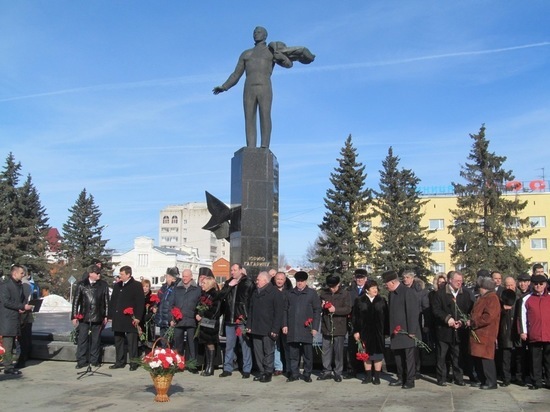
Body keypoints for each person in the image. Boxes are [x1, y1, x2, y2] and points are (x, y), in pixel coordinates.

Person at [213, 26, 314, 148]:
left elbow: (288, 64)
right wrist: (224, 87)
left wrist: (280, 56)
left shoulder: (271, 51)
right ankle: (251, 147)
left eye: (259, 32)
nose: (256, 34)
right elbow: (236, 74)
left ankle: (265, 145)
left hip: (264, 87)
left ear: (265, 35)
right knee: (249, 118)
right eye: (254, 32)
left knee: (265, 115)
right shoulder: (246, 54)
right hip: (249, 87)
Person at [431, 271, 473, 387]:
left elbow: (468, 310)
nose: (459, 283)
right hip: (444, 330)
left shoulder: (465, 294)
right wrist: (447, 318)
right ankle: (441, 378)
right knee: (442, 356)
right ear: (450, 280)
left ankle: (458, 378)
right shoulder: (440, 294)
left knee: (457, 356)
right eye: (457, 280)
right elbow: (436, 310)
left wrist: (462, 321)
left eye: (461, 281)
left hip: (459, 331)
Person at [282, 270, 321, 382]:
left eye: (302, 281)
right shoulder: (290, 293)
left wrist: (314, 327)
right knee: (293, 353)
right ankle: (294, 373)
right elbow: (285, 310)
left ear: (305, 281)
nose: (300, 283)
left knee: (307, 354)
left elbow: (317, 311)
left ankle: (307, 373)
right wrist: (284, 324)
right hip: (293, 328)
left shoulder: (312, 293)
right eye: (298, 281)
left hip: (306, 328)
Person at [383, 270, 419, 389]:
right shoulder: (391, 293)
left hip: (407, 331)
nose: (385, 286)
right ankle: (400, 377)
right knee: (398, 356)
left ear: (392, 282)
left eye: (386, 284)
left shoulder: (407, 292)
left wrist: (412, 331)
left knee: (408, 357)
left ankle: (409, 380)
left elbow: (413, 312)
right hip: (396, 332)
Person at [218, 263, 254, 378]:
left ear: (240, 271)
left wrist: (248, 318)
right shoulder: (229, 282)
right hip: (229, 319)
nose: (232, 272)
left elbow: (252, 302)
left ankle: (247, 369)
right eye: (231, 270)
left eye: (234, 270)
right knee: (229, 345)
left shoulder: (248, 283)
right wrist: (229, 286)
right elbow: (220, 297)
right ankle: (227, 368)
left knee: (245, 345)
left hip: (241, 319)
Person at [247, 271, 284, 383]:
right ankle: (261, 371)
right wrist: (249, 325)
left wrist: (275, 329)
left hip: (268, 328)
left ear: (265, 280)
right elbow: (251, 310)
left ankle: (268, 372)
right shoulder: (255, 292)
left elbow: (279, 313)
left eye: (258, 279)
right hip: (256, 327)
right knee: (258, 352)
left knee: (268, 351)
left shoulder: (275, 293)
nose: (256, 281)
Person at [71, 264, 109, 368]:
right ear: (91, 274)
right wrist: (74, 316)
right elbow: (76, 301)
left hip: (97, 316)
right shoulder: (82, 284)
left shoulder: (103, 285)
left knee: (96, 340)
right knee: (82, 339)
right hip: (84, 316)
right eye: (97, 273)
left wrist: (106, 315)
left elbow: (106, 301)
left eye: (99, 273)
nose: (99, 275)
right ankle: (81, 360)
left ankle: (94, 360)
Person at [108, 266, 145, 371]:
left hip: (130, 318)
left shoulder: (136, 285)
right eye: (120, 274)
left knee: (132, 342)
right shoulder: (117, 285)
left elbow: (140, 303)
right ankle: (119, 361)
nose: (120, 276)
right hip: (118, 318)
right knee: (118, 341)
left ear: (128, 274)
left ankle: (134, 362)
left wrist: (138, 317)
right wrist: (110, 315)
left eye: (122, 274)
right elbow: (113, 301)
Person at [352, 279, 388, 385]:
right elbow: (355, 317)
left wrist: (386, 331)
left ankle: (377, 377)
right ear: (367, 290)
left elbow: (386, 317)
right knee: (366, 354)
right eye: (372, 288)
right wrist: (356, 331)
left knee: (377, 355)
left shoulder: (381, 300)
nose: (375, 290)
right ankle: (368, 376)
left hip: (378, 332)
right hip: (365, 332)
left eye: (376, 288)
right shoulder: (360, 300)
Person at [0, 265, 34, 375]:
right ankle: (8, 367)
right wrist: (21, 306)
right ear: (14, 273)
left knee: (11, 344)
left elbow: (17, 300)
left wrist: (21, 308)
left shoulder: (18, 285)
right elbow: (6, 302)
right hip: (7, 319)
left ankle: (9, 364)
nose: (23, 275)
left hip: (15, 318)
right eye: (21, 273)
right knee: (8, 344)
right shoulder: (6, 285)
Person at [318, 274, 351, 382]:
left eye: (334, 286)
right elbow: (318, 307)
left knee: (338, 351)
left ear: (338, 284)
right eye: (330, 286)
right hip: (326, 325)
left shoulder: (345, 294)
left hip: (339, 326)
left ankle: (338, 372)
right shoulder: (324, 293)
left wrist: (335, 309)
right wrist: (322, 306)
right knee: (326, 350)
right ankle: (326, 370)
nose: (332, 289)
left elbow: (347, 309)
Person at [470, 276, 501, 390]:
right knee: (479, 358)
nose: (479, 289)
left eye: (480, 287)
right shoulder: (484, 297)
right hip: (479, 334)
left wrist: (474, 322)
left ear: (485, 287)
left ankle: (491, 381)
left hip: (486, 334)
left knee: (486, 359)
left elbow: (488, 317)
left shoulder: (492, 298)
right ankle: (483, 380)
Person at [520, 273, 550, 390]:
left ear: (545, 285)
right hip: (534, 333)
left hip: (548, 333)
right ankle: (536, 382)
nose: (538, 286)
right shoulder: (526, 299)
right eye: (536, 284)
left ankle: (548, 382)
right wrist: (523, 331)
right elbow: (522, 317)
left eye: (541, 284)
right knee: (534, 360)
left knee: (549, 360)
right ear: (532, 285)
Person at [401, 270, 430, 379]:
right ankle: (406, 369)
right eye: (404, 277)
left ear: (413, 278)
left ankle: (416, 370)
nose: (405, 279)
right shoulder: (401, 290)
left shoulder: (420, 291)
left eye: (407, 277)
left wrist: (426, 324)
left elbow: (425, 309)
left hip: (416, 322)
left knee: (415, 347)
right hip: (403, 322)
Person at [172, 269, 201, 372]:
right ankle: (179, 365)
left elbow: (199, 304)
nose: (184, 278)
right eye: (183, 276)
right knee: (178, 344)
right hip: (178, 320)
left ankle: (192, 365)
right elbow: (171, 305)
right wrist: (171, 319)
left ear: (191, 277)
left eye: (187, 276)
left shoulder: (197, 289)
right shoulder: (177, 289)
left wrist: (198, 314)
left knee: (192, 344)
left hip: (191, 320)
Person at [195, 276, 221, 376]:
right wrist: (197, 314)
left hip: (211, 322)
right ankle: (207, 366)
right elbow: (199, 306)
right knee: (206, 343)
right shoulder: (204, 294)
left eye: (204, 283)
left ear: (209, 284)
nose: (202, 285)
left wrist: (203, 316)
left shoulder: (215, 294)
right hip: (203, 322)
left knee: (210, 343)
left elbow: (215, 310)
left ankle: (210, 368)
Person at [345, 268, 368, 379]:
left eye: (362, 278)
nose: (359, 280)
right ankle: (351, 369)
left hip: (365, 322)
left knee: (365, 345)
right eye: (358, 278)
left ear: (365, 279)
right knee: (352, 346)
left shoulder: (369, 289)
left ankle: (366, 369)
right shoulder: (350, 291)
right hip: (353, 322)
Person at [271, 271, 292, 376]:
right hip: (273, 322)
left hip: (285, 323)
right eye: (277, 279)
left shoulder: (289, 292)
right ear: (275, 280)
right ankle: (278, 367)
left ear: (285, 280)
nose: (279, 281)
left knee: (286, 346)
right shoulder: (270, 291)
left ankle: (289, 368)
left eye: (281, 279)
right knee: (275, 346)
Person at [513, 272, 532, 385]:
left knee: (530, 354)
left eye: (525, 281)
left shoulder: (531, 295)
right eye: (521, 281)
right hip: (518, 329)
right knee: (519, 354)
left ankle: (528, 375)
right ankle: (519, 376)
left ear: (529, 283)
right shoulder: (515, 295)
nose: (523, 284)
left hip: (530, 328)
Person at [154, 267, 181, 343]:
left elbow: (177, 304)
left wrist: (173, 319)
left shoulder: (177, 287)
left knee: (170, 342)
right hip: (162, 319)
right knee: (163, 341)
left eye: (167, 276)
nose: (166, 278)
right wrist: (155, 306)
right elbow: (158, 298)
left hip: (170, 320)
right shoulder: (164, 287)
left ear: (172, 278)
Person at [498, 289, 517, 387]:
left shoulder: (517, 304)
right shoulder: (501, 308)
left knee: (515, 358)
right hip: (505, 336)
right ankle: (506, 378)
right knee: (505, 359)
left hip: (514, 335)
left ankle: (516, 376)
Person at [18, 266, 35, 369]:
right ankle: (26, 355)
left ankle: (22, 358)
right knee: (26, 337)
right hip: (27, 315)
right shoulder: (29, 284)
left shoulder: (24, 285)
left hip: (24, 315)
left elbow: (23, 300)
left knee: (23, 338)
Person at [141, 279, 156, 350]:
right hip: (140, 322)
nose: (145, 288)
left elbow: (154, 309)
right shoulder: (139, 297)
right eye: (143, 286)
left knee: (149, 344)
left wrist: (151, 313)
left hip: (149, 323)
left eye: (147, 286)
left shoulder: (152, 298)